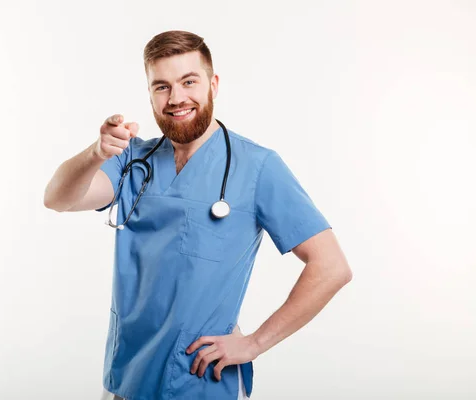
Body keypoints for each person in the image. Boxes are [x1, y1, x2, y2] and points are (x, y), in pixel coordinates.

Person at [44, 30, 352, 400]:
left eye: (189, 81)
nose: (176, 98)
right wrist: (96, 152)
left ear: (213, 84)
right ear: (150, 94)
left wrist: (254, 343)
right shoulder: (131, 158)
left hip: (201, 380)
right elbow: (57, 199)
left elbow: (331, 266)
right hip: (127, 373)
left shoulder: (257, 167)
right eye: (161, 87)